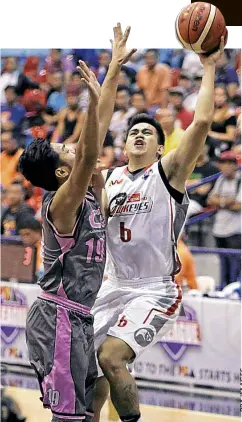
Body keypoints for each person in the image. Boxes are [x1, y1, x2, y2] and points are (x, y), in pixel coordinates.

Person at [91, 39, 225, 422]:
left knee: (111, 358)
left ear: (160, 147)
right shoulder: (111, 179)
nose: (139, 135)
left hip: (153, 288)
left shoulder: (167, 174)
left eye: (148, 133)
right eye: (134, 132)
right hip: (111, 284)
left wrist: (209, 66)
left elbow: (200, 122)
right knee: (89, 370)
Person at [18, 23, 135, 422]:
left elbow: (95, 135)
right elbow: (88, 152)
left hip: (78, 317)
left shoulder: (83, 191)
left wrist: (114, 67)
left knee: (85, 411)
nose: (72, 144)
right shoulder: (60, 205)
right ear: (63, 174)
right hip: (58, 319)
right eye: (63, 148)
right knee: (69, 419)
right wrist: (91, 95)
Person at [137, 49, 171, 114]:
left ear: (157, 58)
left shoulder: (164, 70)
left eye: (151, 57)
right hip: (144, 105)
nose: (149, 60)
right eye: (147, 58)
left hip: (157, 105)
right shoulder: (141, 71)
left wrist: (163, 110)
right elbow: (140, 91)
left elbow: (164, 91)